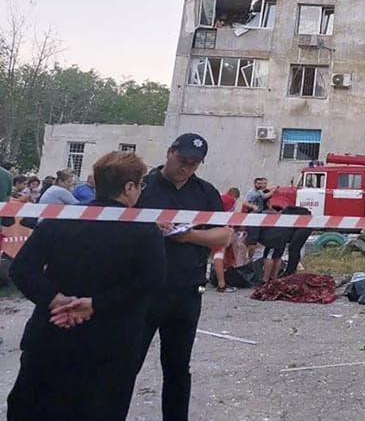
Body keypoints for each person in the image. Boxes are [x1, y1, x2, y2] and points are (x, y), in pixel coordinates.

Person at [7, 151, 166, 421]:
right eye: (141, 185)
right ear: (129, 187)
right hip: (109, 345)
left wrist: (55, 299)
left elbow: (21, 268)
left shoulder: (60, 220)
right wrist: (96, 304)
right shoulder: (143, 230)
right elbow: (150, 282)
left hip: (51, 336)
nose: (141, 191)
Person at [134, 133, 232, 421]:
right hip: (142, 290)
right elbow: (118, 225)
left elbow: (224, 234)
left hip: (186, 290)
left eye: (194, 163)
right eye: (182, 160)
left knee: (178, 367)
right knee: (126, 363)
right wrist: (150, 226)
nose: (186, 168)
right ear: (169, 152)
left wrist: (190, 235)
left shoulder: (205, 192)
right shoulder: (144, 186)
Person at [211, 188, 240, 293]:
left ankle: (219, 281)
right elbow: (226, 216)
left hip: (211, 228)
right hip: (220, 229)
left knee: (217, 254)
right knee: (219, 254)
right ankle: (221, 284)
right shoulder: (230, 200)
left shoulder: (219, 197)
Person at [282, 205, 313, 277]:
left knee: (293, 248)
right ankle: (291, 271)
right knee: (294, 248)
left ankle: (290, 271)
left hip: (304, 224)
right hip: (300, 221)